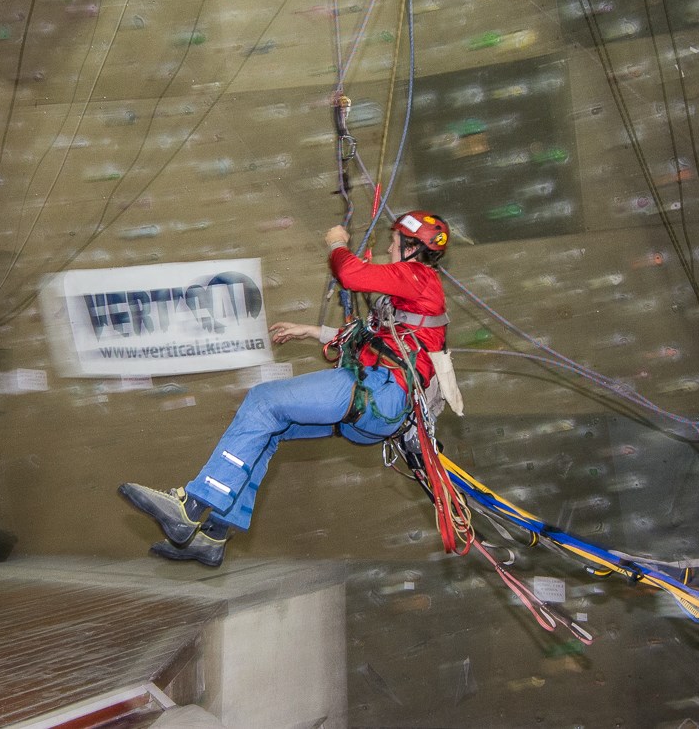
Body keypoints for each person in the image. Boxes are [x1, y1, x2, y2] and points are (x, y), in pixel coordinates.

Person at [119, 211, 453, 566]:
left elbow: (350, 274)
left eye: (396, 241)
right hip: (379, 408)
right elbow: (366, 335)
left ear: (413, 248)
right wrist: (311, 331)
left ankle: (191, 507)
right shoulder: (410, 293)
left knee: (263, 401)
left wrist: (337, 243)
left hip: (378, 393)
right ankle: (214, 536)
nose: (389, 246)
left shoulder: (418, 276)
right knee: (268, 429)